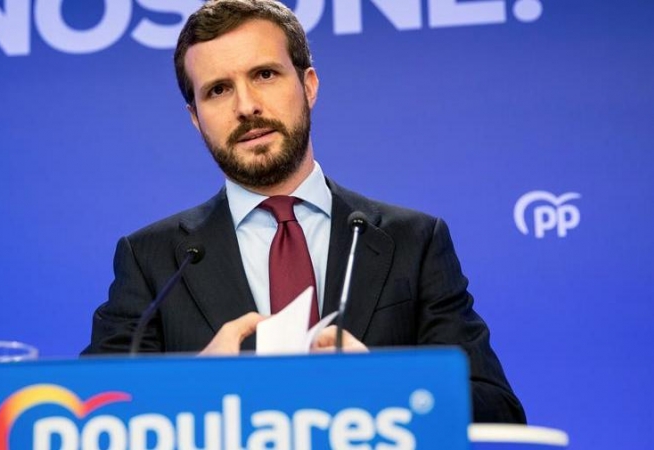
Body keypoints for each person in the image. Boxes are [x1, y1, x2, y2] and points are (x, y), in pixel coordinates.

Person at [83, 0, 525, 423]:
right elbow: (91, 418)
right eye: (218, 90)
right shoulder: (152, 259)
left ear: (308, 85)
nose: (246, 106)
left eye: (265, 74)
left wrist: (387, 385)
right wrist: (195, 387)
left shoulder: (414, 241)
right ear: (196, 118)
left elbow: (497, 410)